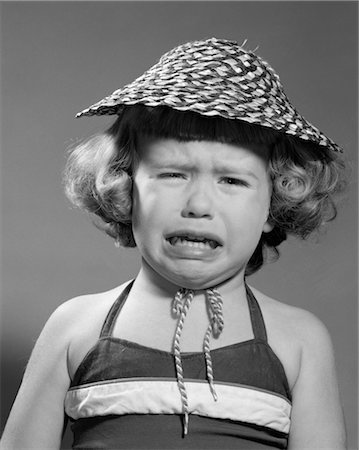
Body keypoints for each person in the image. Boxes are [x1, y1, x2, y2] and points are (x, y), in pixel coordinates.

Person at [1, 38, 347, 450]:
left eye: (232, 180)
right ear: (125, 189)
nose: (198, 205)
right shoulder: (76, 327)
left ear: (275, 203)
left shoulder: (298, 340)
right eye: (172, 175)